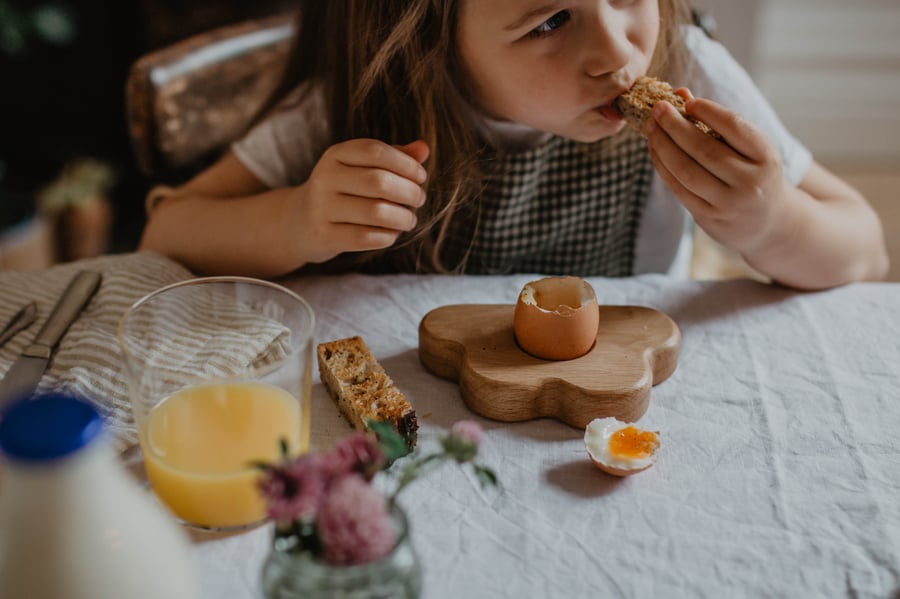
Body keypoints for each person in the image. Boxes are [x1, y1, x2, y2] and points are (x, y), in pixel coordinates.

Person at [139, 0, 889, 290]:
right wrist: (293, 222)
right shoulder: (363, 106)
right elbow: (168, 230)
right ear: (434, 39)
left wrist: (772, 223)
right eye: (551, 23)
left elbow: (865, 249)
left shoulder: (688, 68)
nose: (618, 54)